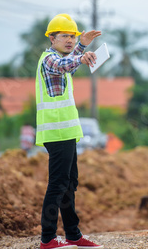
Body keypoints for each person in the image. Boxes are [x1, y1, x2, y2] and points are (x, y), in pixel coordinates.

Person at [36, 13, 103, 249]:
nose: (70, 40)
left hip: (66, 132)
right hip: (56, 133)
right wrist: (82, 55)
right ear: (52, 39)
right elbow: (65, 64)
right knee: (58, 183)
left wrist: (83, 45)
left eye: (72, 37)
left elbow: (69, 66)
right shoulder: (49, 59)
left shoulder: (61, 60)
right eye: (65, 36)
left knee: (69, 182)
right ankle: (48, 238)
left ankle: (73, 235)